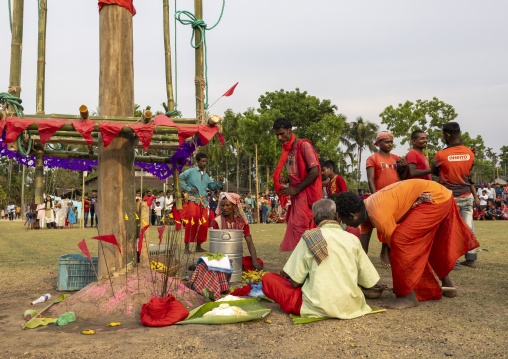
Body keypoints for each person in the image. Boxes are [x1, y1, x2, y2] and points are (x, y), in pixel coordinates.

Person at [332, 180, 479, 309]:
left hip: (436, 198)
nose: (344, 223)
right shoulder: (365, 212)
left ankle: (407, 296)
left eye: (344, 220)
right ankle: (448, 287)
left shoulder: (377, 213)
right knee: (423, 244)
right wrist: (361, 281)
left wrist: (400, 286)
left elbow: (398, 250)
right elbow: (361, 251)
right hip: (437, 195)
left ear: (352, 216)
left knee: (400, 241)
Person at [262, 199, 380, 319]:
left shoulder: (309, 237)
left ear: (314, 220)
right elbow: (369, 281)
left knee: (268, 278)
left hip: (316, 306)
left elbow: (295, 282)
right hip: (351, 307)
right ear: (336, 216)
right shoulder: (353, 239)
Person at [432, 122, 480, 269]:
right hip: (466, 196)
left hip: (450, 197)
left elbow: (434, 172)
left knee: (450, 230)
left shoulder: (441, 154)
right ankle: (471, 258)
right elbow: (468, 171)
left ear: (447, 135)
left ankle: (454, 262)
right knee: (468, 228)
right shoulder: (470, 153)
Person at [272, 117, 322, 251]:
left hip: (305, 195)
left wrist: (295, 189)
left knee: (301, 229)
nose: (279, 137)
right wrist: (287, 180)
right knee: (296, 228)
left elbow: (315, 171)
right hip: (296, 196)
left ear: (289, 131)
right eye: (277, 134)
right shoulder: (287, 150)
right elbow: (298, 174)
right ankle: (299, 265)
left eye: (282, 133)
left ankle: (302, 266)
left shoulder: (303, 145)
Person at [366, 131, 408, 266]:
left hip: (396, 197)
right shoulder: (373, 158)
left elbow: (405, 177)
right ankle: (383, 252)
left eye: (391, 142)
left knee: (395, 226)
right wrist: (375, 197)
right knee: (383, 226)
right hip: (380, 196)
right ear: (378, 143)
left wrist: (405, 167)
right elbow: (370, 180)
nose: (390, 144)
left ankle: (389, 251)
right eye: (386, 142)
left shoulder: (397, 158)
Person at [180, 153, 223, 254]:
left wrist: (219, 182)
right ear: (197, 162)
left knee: (203, 224)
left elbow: (212, 187)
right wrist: (188, 188)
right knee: (191, 222)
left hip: (203, 203)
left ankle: (198, 246)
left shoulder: (206, 175)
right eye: (203, 161)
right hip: (193, 201)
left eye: (205, 161)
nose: (205, 163)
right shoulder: (190, 172)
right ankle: (187, 247)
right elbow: (179, 178)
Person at [210, 192, 262, 270]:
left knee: (259, 262)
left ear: (234, 205)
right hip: (220, 258)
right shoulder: (216, 221)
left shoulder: (242, 222)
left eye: (227, 205)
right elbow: (214, 247)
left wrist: (254, 261)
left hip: (237, 258)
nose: (224, 208)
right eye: (222, 206)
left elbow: (249, 242)